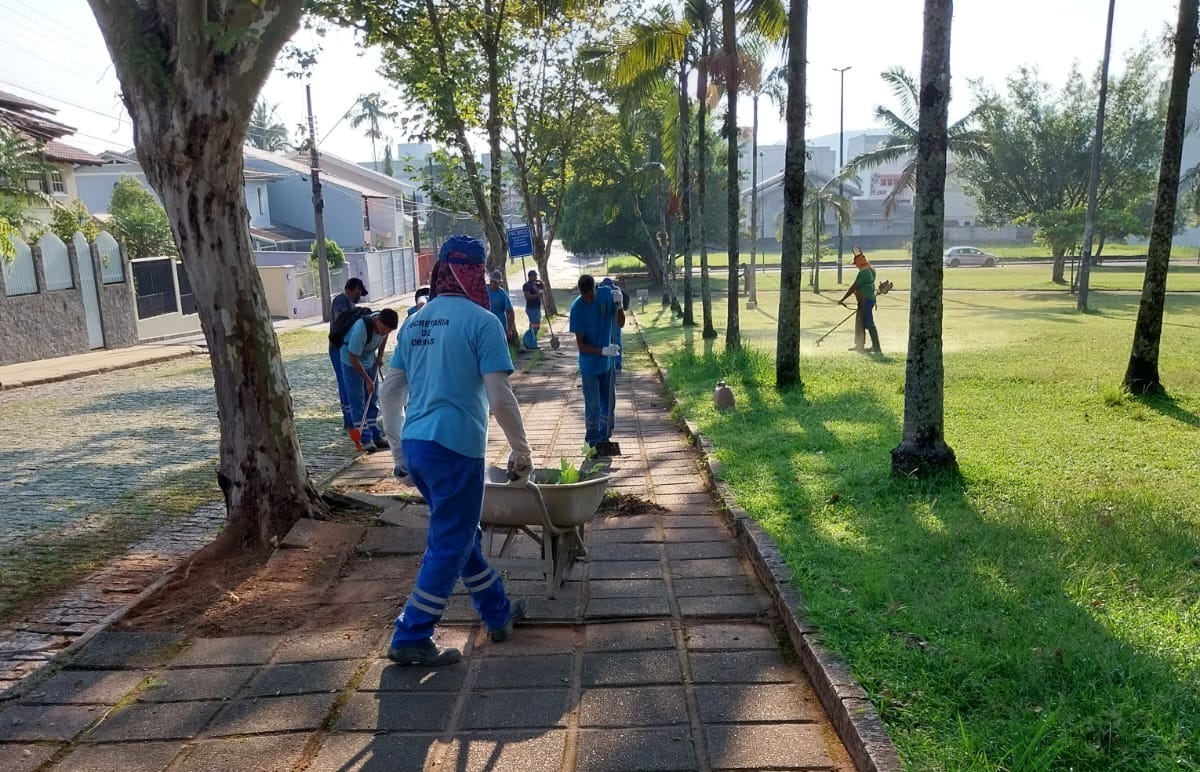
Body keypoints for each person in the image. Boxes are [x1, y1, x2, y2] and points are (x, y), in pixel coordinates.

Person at [386, 235, 532, 666]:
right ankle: (412, 634)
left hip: (417, 445)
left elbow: (390, 393)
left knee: (461, 534)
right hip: (456, 447)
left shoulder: (415, 321)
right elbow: (501, 398)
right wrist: (522, 452)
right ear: (477, 272)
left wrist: (397, 453)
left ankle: (498, 612)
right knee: (449, 543)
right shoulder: (482, 322)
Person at [569, 274, 624, 457]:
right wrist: (602, 351)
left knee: (609, 403)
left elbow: (620, 322)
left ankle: (605, 437)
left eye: (591, 295)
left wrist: (619, 305)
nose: (589, 299)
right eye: (585, 296)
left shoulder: (606, 295)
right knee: (592, 405)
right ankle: (592, 441)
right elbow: (581, 345)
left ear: (596, 289)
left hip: (607, 365)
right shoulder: (577, 308)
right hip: (589, 365)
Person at [382, 287, 432, 478]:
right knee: (388, 395)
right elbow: (421, 300)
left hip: (430, 352)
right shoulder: (415, 312)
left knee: (421, 401)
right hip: (407, 351)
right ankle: (401, 460)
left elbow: (422, 300)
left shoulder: (436, 305)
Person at [341, 307, 400, 452]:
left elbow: (384, 338)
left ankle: (376, 434)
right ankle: (364, 438)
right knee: (358, 400)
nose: (385, 333)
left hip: (369, 361)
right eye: (384, 328)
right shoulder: (361, 328)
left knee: (372, 398)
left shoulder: (384, 329)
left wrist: (379, 357)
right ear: (377, 320)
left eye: (389, 331)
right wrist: (367, 380)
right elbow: (353, 357)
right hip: (352, 363)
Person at [330, 277, 368, 429]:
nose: (360, 296)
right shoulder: (342, 300)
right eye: (359, 291)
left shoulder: (350, 303)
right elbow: (341, 321)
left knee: (349, 383)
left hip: (346, 347)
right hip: (338, 348)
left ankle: (352, 418)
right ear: (354, 288)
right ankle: (349, 419)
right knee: (345, 383)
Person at [839, 247, 881, 354]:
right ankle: (859, 345)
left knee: (869, 323)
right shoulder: (871, 269)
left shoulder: (863, 273)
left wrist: (842, 299)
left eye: (856, 264)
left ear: (859, 263)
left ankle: (877, 348)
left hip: (865, 301)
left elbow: (853, 287)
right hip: (867, 300)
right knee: (859, 322)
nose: (856, 266)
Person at [487, 270, 517, 343]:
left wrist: (509, 329)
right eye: (491, 281)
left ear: (500, 283)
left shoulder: (502, 294)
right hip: (487, 324)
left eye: (495, 282)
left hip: (500, 325)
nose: (492, 284)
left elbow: (510, 312)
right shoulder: (484, 289)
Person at [522, 269, 544, 341]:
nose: (536, 277)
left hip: (537, 307)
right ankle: (530, 339)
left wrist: (542, 284)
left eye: (536, 276)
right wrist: (537, 295)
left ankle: (532, 339)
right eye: (534, 276)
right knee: (534, 325)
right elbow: (528, 297)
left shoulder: (535, 284)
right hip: (531, 308)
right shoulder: (526, 285)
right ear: (530, 276)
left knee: (536, 325)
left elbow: (543, 290)